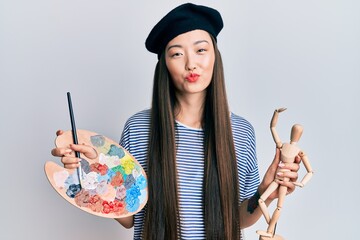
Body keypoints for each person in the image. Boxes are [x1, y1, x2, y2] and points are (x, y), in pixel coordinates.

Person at [51, 3, 300, 240]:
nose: (191, 63)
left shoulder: (241, 131)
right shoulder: (138, 128)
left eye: (201, 50)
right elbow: (129, 219)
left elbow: (239, 218)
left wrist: (266, 189)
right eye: (177, 54)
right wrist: (94, 174)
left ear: (215, 56)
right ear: (165, 65)